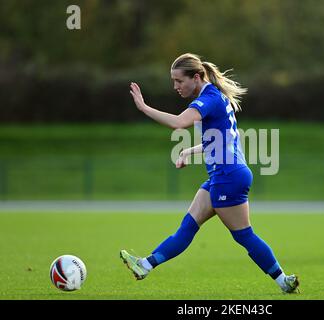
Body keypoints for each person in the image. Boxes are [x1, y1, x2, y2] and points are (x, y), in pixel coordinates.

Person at [119, 53, 299, 293]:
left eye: (179, 81)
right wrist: (188, 152)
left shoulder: (210, 98)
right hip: (224, 175)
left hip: (228, 176)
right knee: (187, 227)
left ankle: (283, 280)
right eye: (173, 81)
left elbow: (178, 123)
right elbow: (219, 140)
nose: (175, 86)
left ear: (196, 77)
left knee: (244, 235)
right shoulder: (215, 97)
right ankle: (144, 265)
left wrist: (143, 107)